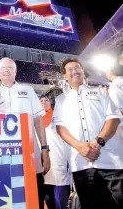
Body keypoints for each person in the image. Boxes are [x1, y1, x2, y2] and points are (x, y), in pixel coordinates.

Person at [53, 58, 123, 209]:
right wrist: (80, 147)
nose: (75, 71)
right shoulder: (60, 100)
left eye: (77, 67)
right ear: (65, 76)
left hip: (111, 162)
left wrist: (98, 142)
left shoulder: (101, 92)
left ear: (83, 71)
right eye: (70, 69)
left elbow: (114, 118)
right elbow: (60, 128)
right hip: (81, 165)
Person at [0, 58, 51, 209]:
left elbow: (38, 120)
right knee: (8, 197)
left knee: (35, 194)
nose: (7, 70)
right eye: (3, 68)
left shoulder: (27, 91)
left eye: (10, 68)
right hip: (3, 155)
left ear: (16, 71)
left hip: (29, 152)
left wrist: (44, 149)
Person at [40, 94, 71, 209]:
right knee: (47, 193)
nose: (44, 102)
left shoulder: (57, 118)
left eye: (46, 100)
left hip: (58, 158)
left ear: (51, 103)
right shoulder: (36, 120)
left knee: (60, 192)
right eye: (41, 100)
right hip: (43, 162)